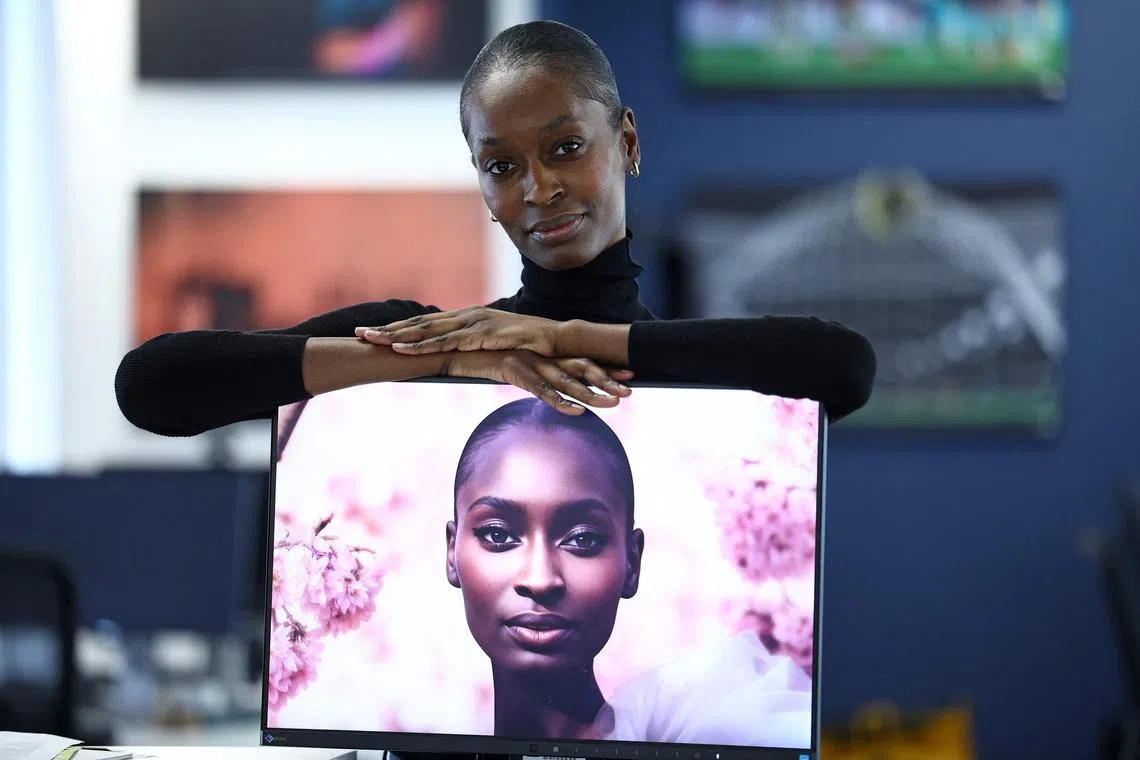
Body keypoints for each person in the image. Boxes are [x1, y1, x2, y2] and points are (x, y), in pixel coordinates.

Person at [115, 20, 876, 441]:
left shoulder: (695, 374)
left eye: (566, 149)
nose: (538, 188)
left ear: (629, 144)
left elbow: (844, 368)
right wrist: (451, 362)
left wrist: (560, 339)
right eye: (501, 165)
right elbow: (152, 386)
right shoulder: (416, 342)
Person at [447, 397, 811, 747]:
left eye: (583, 540)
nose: (540, 579)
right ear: (452, 551)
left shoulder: (715, 723)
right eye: (498, 535)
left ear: (632, 563)